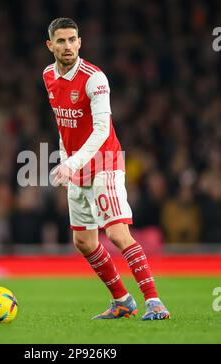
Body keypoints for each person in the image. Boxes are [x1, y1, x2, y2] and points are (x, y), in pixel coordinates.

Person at [43, 17, 170, 320]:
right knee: (83, 241)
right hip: (78, 167)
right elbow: (64, 126)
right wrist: (66, 161)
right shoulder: (48, 75)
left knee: (116, 234)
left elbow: (101, 130)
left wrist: (72, 162)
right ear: (50, 46)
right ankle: (123, 301)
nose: (68, 46)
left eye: (73, 39)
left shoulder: (94, 78)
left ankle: (155, 302)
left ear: (80, 42)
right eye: (61, 41)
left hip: (104, 162)